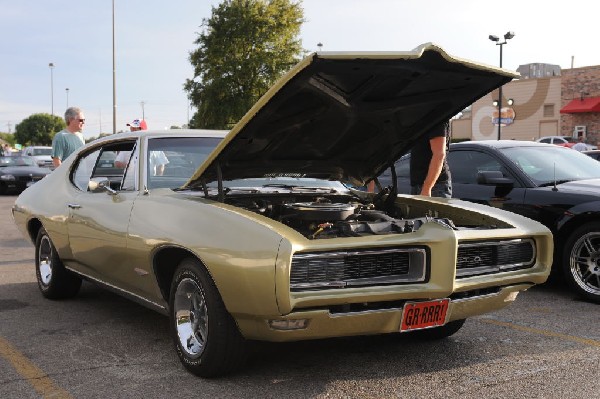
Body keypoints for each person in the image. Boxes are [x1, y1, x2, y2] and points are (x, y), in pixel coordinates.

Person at [410, 121, 452, 198]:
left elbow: (439, 155)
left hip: (434, 187)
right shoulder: (424, 118)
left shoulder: (437, 117)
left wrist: (427, 188)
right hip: (419, 184)